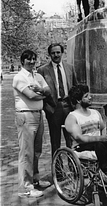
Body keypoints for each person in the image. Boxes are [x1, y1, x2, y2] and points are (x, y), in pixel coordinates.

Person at [13, 50, 51, 198]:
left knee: (36, 151)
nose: (32, 62)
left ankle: (35, 179)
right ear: (22, 61)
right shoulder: (19, 77)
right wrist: (41, 93)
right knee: (26, 153)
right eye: (28, 59)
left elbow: (48, 91)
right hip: (25, 116)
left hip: (38, 115)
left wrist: (41, 91)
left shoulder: (38, 76)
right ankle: (25, 188)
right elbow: (32, 96)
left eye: (34, 59)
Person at [37, 43, 78, 157]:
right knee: (55, 141)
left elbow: (75, 87)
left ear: (62, 53)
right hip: (53, 108)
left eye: (58, 52)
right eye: (53, 53)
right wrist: (47, 108)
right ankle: (58, 171)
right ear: (49, 54)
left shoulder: (70, 68)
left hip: (69, 107)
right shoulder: (42, 70)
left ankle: (73, 167)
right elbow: (40, 92)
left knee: (71, 140)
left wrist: (75, 107)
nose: (56, 55)